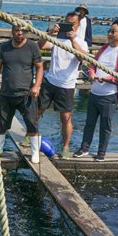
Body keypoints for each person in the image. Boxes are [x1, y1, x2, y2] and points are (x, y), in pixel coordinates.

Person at [73, 19, 118, 161]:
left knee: (105, 126)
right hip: (94, 92)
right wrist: (92, 73)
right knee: (89, 123)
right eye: (109, 31)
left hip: (109, 95)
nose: (109, 34)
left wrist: (107, 79)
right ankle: (84, 148)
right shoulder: (104, 47)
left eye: (113, 31)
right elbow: (92, 64)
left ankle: (101, 152)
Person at [37, 12, 87, 160]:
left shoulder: (81, 42)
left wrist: (72, 40)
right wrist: (49, 33)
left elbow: (82, 58)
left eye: (72, 24)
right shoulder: (56, 38)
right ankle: (30, 134)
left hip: (66, 85)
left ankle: (65, 146)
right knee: (37, 110)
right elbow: (39, 46)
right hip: (50, 81)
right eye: (67, 23)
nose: (69, 27)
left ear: (77, 26)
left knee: (65, 118)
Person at [0, 23, 43, 163]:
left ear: (26, 32)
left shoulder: (33, 46)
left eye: (21, 31)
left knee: (32, 124)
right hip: (6, 93)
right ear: (12, 32)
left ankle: (35, 152)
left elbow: (39, 67)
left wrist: (37, 86)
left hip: (26, 94)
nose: (19, 33)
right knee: (1, 124)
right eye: (16, 30)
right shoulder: (3, 47)